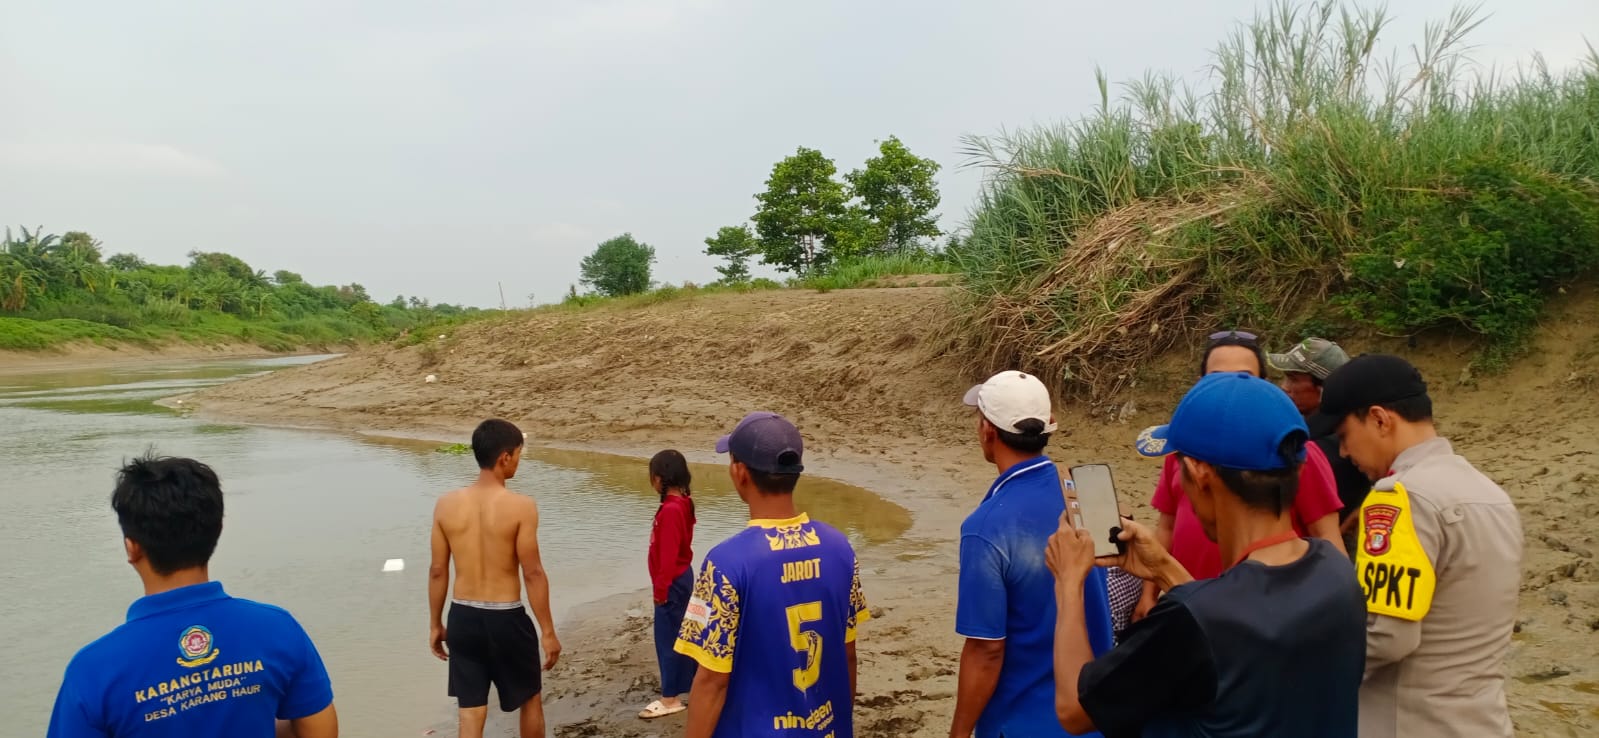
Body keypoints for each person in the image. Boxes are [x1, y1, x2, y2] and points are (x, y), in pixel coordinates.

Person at [1047, 371, 1366, 737]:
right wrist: (1165, 569)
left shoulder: (1191, 621)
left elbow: (1074, 708)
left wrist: (1069, 583)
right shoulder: (1337, 575)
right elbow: (1233, 637)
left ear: (1199, 472)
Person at [47, 454, 338, 738]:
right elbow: (320, 732)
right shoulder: (278, 629)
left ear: (131, 547)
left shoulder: (93, 670)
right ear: (217, 531)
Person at [1320, 354, 1523, 738]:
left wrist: (1304, 675)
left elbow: (1386, 636)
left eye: (1344, 435)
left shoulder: (1397, 497)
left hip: (1408, 723)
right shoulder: (1491, 494)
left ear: (1380, 419)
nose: (1344, 452)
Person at [675, 412, 869, 738]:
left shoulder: (725, 564)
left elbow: (711, 681)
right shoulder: (840, 548)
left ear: (739, 473)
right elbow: (847, 655)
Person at [1132, 330, 1346, 621]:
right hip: (1185, 605)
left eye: (1243, 377)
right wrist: (1150, 593)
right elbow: (1166, 527)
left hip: (1268, 612)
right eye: (1216, 378)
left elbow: (1328, 539)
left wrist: (1337, 599)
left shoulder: (1289, 452)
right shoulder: (1181, 449)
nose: (1229, 389)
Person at [950, 370, 1114, 738]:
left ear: (988, 431)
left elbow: (986, 650)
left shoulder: (985, 526)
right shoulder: (1083, 495)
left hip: (1021, 722)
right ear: (1048, 426)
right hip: (1093, 716)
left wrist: (959, 732)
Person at [428, 419, 560, 738]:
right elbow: (532, 572)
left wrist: (435, 623)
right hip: (506, 619)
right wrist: (547, 631)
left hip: (463, 617)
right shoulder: (521, 507)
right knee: (529, 700)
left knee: (470, 710)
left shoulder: (445, 505)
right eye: (518, 454)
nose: (518, 461)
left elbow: (437, 570)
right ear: (505, 457)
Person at [1269, 337, 1370, 538]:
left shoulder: (1325, 448)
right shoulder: (1314, 432)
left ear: (1323, 389)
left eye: (1294, 379)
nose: (1284, 387)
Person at [638, 450, 698, 720]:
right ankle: (688, 686)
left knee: (668, 639)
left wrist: (660, 590)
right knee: (682, 636)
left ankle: (670, 698)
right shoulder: (683, 502)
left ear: (658, 478)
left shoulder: (673, 509)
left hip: (672, 581)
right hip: (680, 577)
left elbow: (668, 555)